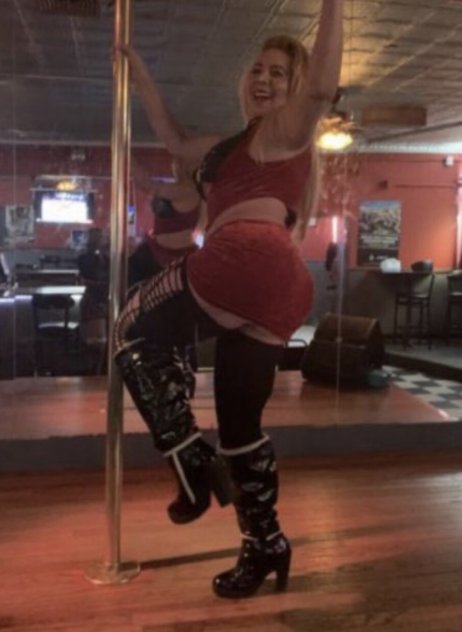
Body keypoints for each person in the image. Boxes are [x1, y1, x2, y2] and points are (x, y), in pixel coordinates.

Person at [114, 0, 343, 599]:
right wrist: (137, 70)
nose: (264, 79)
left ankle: (191, 463)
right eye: (257, 69)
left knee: (129, 327)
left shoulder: (285, 130)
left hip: (240, 261)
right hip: (280, 285)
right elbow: (173, 138)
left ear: (292, 89)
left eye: (279, 74)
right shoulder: (230, 144)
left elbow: (322, 88)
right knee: (241, 428)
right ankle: (265, 545)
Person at [128, 156, 203, 395]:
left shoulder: (188, 190)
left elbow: (145, 183)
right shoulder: (191, 190)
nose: (175, 164)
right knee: (167, 319)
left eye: (179, 160)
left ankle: (174, 375)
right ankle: (171, 374)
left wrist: (127, 156)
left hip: (169, 258)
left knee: (167, 319)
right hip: (167, 256)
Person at [77, 227, 110, 369]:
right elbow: (96, 278)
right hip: (95, 302)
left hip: (99, 301)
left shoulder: (103, 258)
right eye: (102, 238)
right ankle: (95, 372)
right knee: (97, 344)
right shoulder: (89, 258)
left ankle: (95, 371)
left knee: (98, 344)